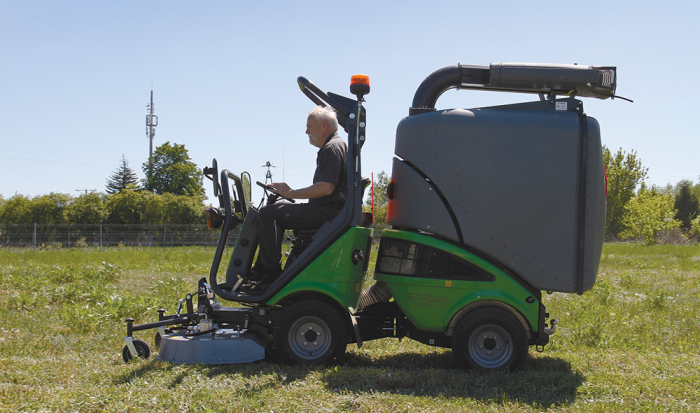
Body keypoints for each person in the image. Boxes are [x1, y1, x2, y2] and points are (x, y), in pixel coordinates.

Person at [251, 105, 348, 286]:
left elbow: (326, 187)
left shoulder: (332, 148)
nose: (306, 131)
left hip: (328, 212)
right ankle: (261, 269)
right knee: (275, 211)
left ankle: (270, 276)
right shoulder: (336, 146)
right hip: (331, 211)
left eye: (309, 126)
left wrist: (291, 193)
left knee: (268, 213)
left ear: (324, 125)